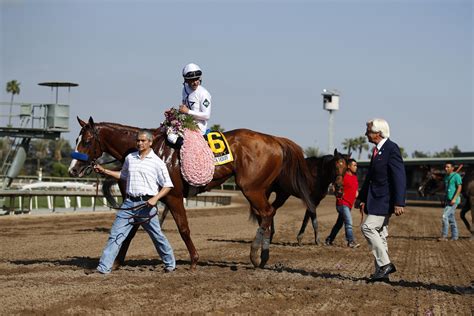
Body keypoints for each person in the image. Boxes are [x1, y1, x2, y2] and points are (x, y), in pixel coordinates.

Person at [90, 130, 176, 274]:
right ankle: (103, 268)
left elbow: (168, 185)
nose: (139, 143)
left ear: (150, 142)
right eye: (138, 140)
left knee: (157, 236)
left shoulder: (157, 162)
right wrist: (105, 171)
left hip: (146, 206)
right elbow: (123, 175)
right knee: (115, 235)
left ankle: (170, 264)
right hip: (128, 204)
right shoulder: (130, 158)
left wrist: (155, 198)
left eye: (143, 141)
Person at [359, 118, 406, 282]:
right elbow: (370, 179)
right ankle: (382, 274)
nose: (366, 134)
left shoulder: (391, 149)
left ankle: (385, 264)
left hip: (384, 200)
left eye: (368, 131)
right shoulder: (377, 150)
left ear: (378, 133)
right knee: (380, 234)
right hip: (375, 199)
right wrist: (362, 198)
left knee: (367, 227)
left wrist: (399, 202)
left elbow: (399, 176)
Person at [325, 158, 360, 248]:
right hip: (342, 204)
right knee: (348, 222)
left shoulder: (355, 177)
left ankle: (329, 239)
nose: (356, 167)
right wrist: (338, 194)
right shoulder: (343, 177)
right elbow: (334, 187)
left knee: (339, 224)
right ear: (348, 166)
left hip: (349, 205)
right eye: (354, 165)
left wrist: (359, 199)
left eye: (356, 165)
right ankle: (351, 241)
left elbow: (355, 192)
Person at [178, 63, 212, 135]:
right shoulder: (184, 89)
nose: (196, 82)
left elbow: (207, 115)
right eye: (192, 80)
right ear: (186, 80)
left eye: (197, 79)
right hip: (185, 125)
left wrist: (188, 112)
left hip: (199, 129)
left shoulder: (204, 93)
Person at [438, 161, 462, 241]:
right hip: (448, 200)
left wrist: (454, 198)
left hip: (454, 201)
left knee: (444, 216)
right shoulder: (446, 177)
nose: (446, 168)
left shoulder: (457, 176)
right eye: (445, 167)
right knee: (451, 218)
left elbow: (459, 187)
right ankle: (455, 236)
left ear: (452, 168)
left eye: (448, 167)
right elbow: (445, 188)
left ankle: (444, 236)